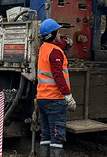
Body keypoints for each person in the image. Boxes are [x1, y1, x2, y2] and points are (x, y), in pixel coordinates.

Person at [36, 18, 76, 157]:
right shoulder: (56, 52)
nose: (60, 35)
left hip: (42, 98)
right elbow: (58, 75)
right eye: (58, 33)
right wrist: (68, 96)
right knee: (57, 135)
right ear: (52, 35)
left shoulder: (44, 49)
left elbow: (56, 47)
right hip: (55, 99)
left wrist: (66, 42)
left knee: (46, 133)